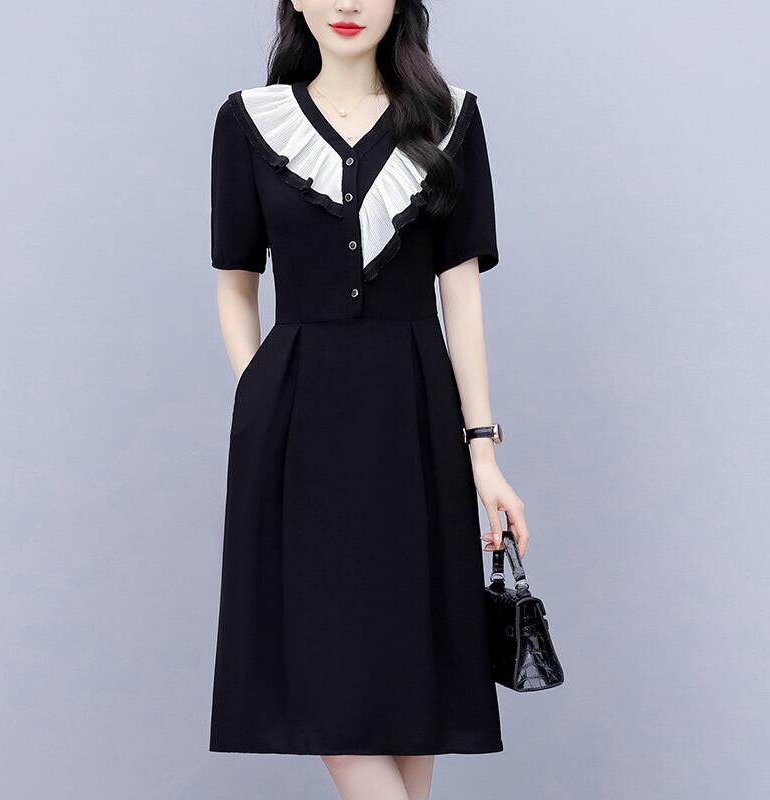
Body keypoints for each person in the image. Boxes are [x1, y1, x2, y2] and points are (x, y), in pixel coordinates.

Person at [208, 1, 531, 797]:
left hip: (415, 418)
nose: (347, 4)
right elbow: (235, 282)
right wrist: (260, 396)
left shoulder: (451, 120)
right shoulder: (248, 121)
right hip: (296, 420)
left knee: (409, 690)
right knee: (330, 691)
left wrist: (483, 453)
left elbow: (462, 297)